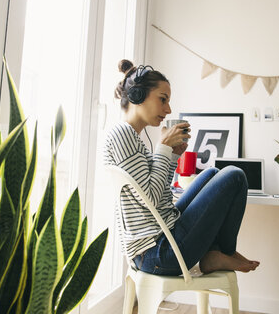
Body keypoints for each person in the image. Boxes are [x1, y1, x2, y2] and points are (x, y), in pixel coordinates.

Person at [104, 59, 259, 276]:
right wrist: (163, 148)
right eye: (162, 99)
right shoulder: (122, 134)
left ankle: (215, 253)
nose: (168, 109)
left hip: (161, 241)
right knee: (235, 176)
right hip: (158, 252)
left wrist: (172, 157)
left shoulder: (132, 137)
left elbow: (159, 196)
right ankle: (222, 253)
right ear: (138, 96)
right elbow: (151, 198)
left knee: (211, 173)